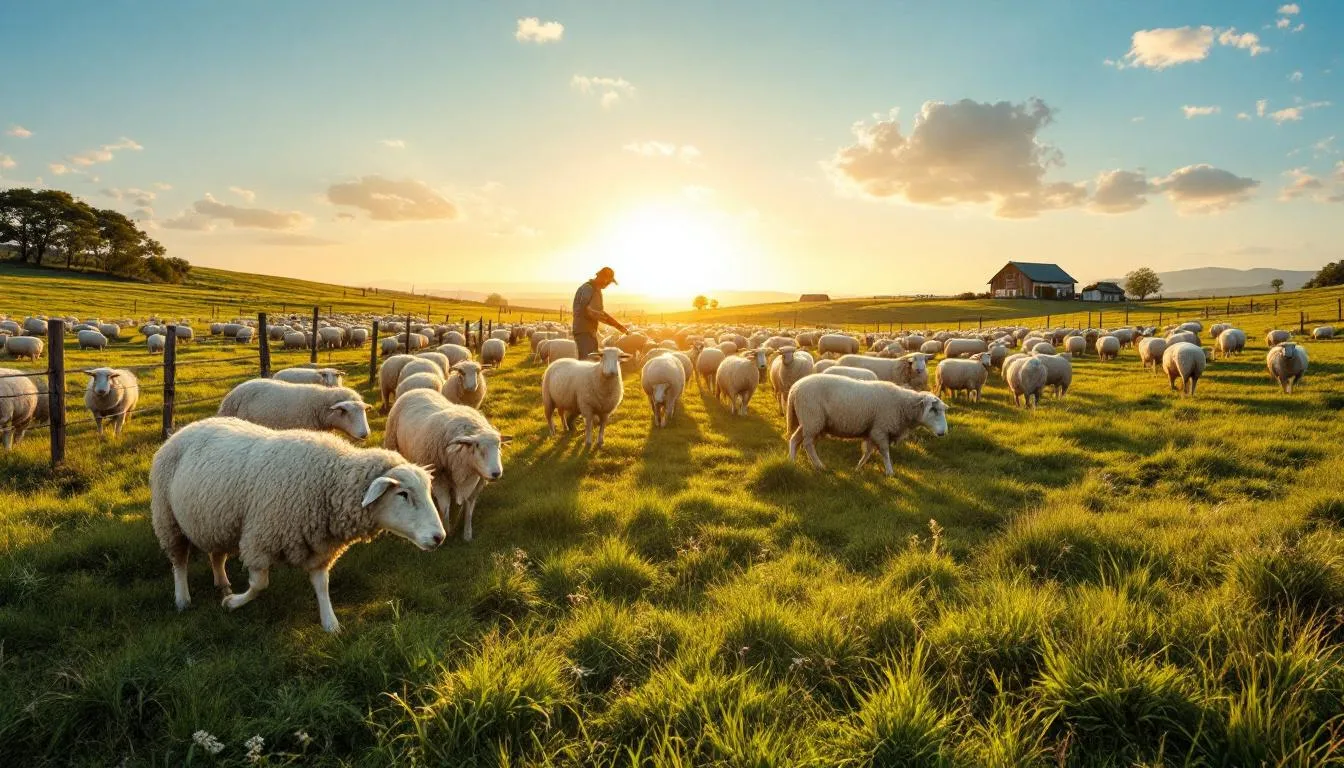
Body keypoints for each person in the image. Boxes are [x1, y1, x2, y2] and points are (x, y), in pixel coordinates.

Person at [571, 267, 628, 358]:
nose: (608, 284)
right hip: (584, 332)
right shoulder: (588, 289)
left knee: (593, 360)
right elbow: (585, 309)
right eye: (609, 282)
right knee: (587, 362)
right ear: (604, 279)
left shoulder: (595, 290)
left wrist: (619, 326)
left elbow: (599, 313)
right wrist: (616, 325)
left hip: (590, 332)